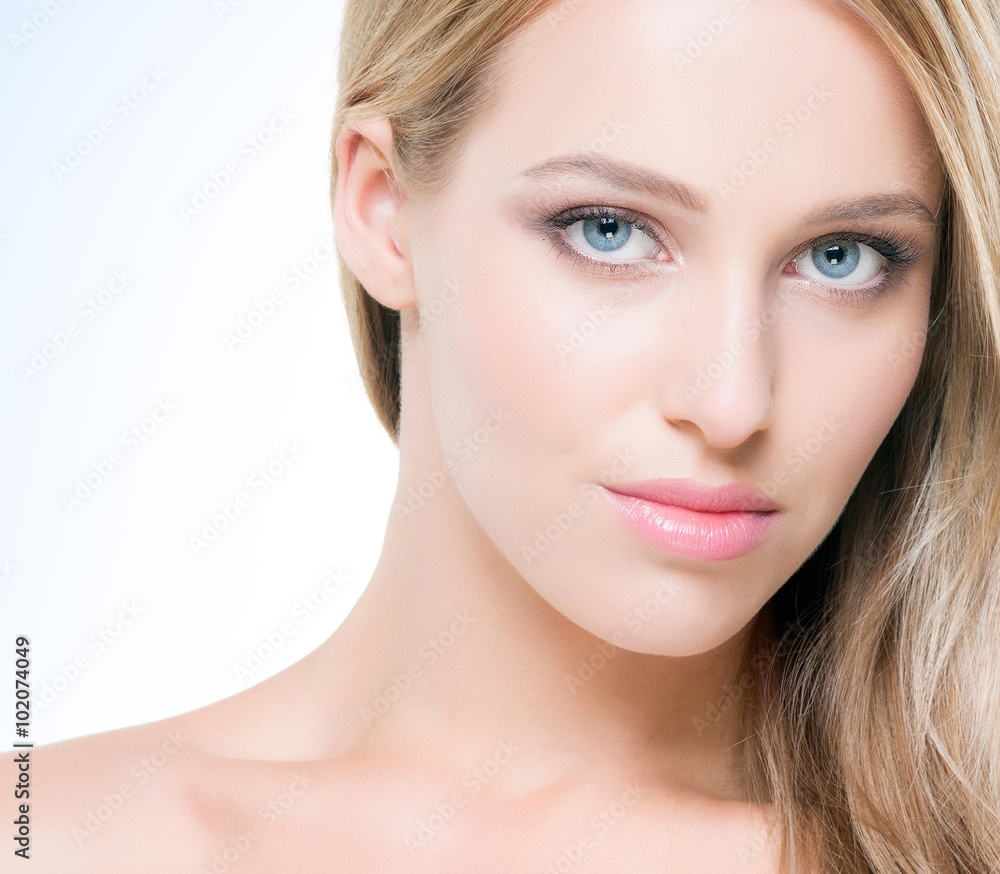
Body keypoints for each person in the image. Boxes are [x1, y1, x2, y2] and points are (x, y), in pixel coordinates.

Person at [8, 0, 1000, 871]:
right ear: (383, 209)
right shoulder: (44, 838)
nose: (733, 401)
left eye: (842, 257)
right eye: (609, 230)